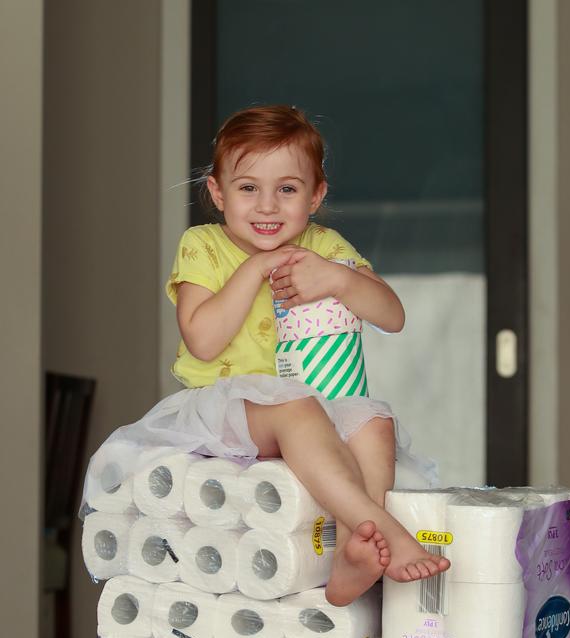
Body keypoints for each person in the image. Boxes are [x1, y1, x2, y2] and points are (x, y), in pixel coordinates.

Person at [89, 104, 450, 605]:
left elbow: (392, 317)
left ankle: (353, 552)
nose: (267, 206)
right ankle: (383, 526)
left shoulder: (324, 245)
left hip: (310, 408)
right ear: (218, 193)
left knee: (374, 422)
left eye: (287, 189)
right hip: (226, 407)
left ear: (316, 195)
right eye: (247, 188)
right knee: (292, 406)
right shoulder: (204, 245)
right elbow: (203, 340)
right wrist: (256, 269)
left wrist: (340, 278)